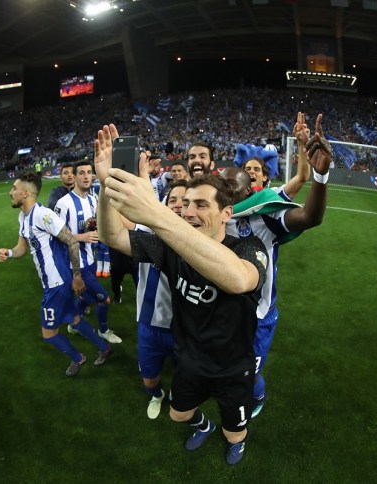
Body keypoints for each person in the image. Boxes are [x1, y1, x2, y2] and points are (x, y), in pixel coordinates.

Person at [95, 123, 271, 465]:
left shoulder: (249, 247)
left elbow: (238, 279)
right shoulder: (170, 247)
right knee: (178, 414)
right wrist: (107, 187)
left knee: (234, 432)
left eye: (201, 205)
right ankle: (203, 425)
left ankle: (235, 442)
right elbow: (111, 236)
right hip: (189, 361)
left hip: (232, 367)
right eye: (186, 204)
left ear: (226, 213)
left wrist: (155, 213)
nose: (189, 212)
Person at [221, 112, 331, 418]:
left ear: (257, 182)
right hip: (227, 309)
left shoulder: (264, 209)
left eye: (255, 170)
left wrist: (314, 165)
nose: (249, 173)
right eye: (245, 169)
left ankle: (257, 396)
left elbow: (309, 213)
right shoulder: (216, 215)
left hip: (258, 312)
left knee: (246, 374)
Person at [0, 172, 111, 375]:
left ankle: (78, 358)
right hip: (53, 282)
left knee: (48, 333)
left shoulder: (44, 215)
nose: (10, 192)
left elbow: (72, 241)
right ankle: (104, 348)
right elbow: (22, 248)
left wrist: (77, 276)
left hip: (57, 283)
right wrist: (9, 252)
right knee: (74, 319)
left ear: (25, 193)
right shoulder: (23, 216)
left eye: (14, 188)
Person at [134, 179, 188, 419]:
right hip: (150, 323)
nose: (177, 204)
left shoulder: (200, 240)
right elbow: (113, 232)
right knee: (149, 380)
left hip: (184, 328)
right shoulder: (147, 231)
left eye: (183, 200)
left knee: (183, 374)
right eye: (172, 199)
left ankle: (176, 392)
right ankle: (157, 395)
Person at [54, 160, 122, 345]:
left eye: (89, 172)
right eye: (81, 173)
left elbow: (95, 224)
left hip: (91, 259)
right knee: (104, 300)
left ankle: (72, 323)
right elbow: (56, 236)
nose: (86, 177)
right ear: (75, 177)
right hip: (76, 263)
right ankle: (103, 331)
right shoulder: (63, 203)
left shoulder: (93, 199)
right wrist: (81, 237)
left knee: (85, 296)